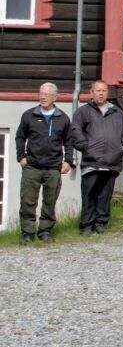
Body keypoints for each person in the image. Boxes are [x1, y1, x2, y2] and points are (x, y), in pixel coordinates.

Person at [15, 83, 75, 244]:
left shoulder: (63, 118)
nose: (43, 96)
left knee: (50, 201)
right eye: (41, 93)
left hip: (53, 168)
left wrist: (68, 161)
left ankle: (45, 231)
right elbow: (20, 137)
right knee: (28, 201)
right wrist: (21, 157)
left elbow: (69, 141)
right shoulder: (29, 115)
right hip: (32, 166)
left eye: (47, 94)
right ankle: (27, 233)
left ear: (56, 97)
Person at [71, 80, 123, 236]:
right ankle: (86, 225)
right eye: (97, 90)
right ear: (92, 93)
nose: (100, 93)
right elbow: (76, 130)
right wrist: (86, 146)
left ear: (107, 93)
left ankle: (101, 223)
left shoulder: (117, 112)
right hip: (91, 161)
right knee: (89, 194)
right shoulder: (83, 112)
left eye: (103, 90)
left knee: (105, 196)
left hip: (111, 162)